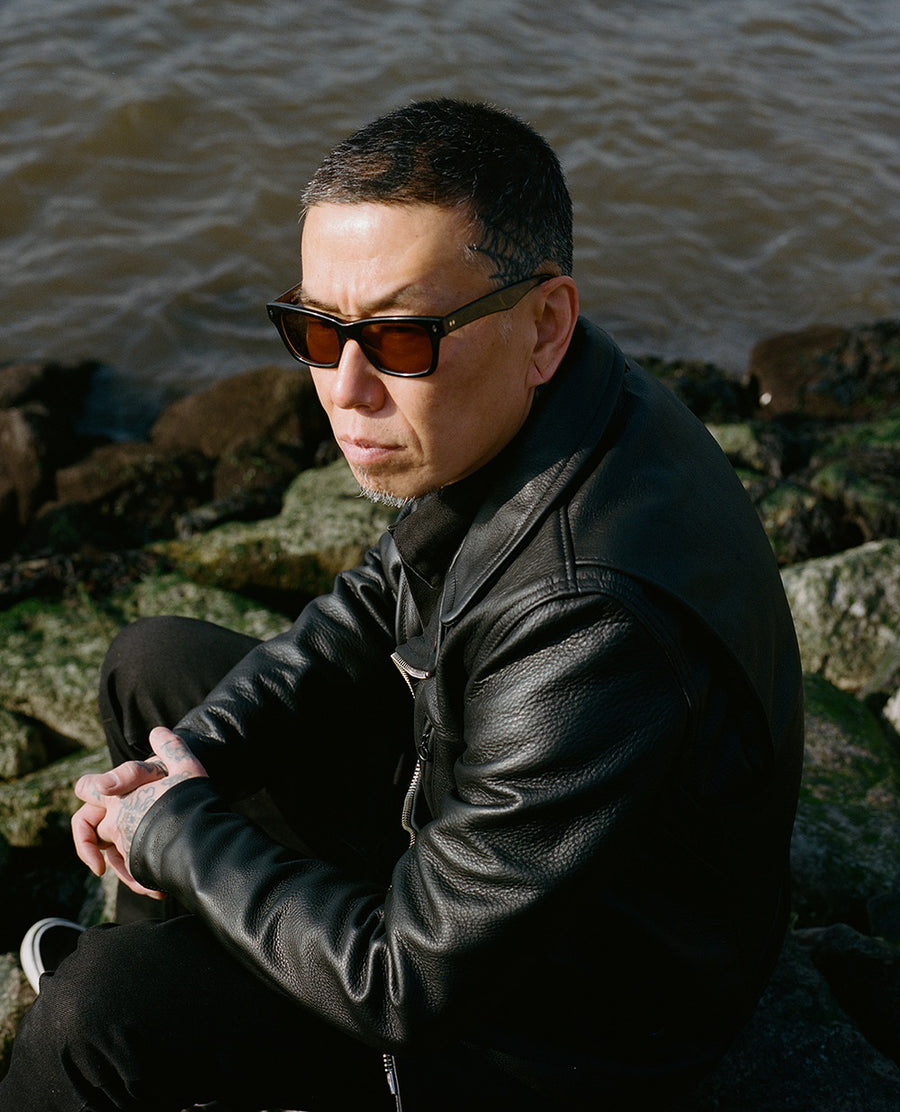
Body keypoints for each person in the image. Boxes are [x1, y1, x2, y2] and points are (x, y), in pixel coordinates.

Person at [1, 99, 804, 1112]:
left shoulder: (593, 621)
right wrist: (193, 767)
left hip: (569, 1022)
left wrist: (178, 833)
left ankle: (159, 1022)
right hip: (494, 847)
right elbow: (380, 591)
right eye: (314, 328)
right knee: (154, 668)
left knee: (90, 1018)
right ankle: (188, 979)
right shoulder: (558, 398)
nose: (343, 387)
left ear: (544, 320)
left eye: (399, 338)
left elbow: (405, 981)